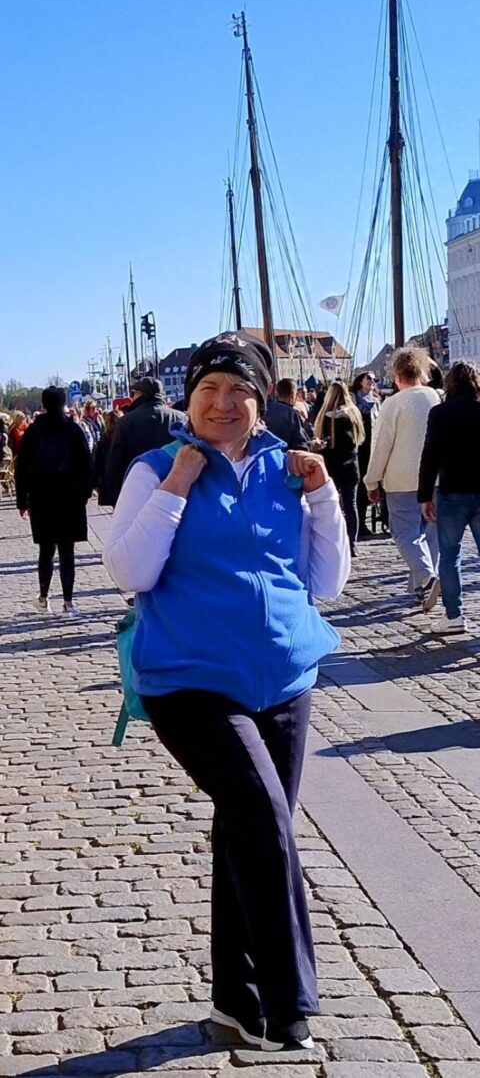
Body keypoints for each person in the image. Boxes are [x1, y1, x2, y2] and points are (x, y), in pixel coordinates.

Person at [102, 332, 349, 1054]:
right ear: (189, 397)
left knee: (247, 829)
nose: (222, 402)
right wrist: (178, 484)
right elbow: (130, 571)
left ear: (260, 398)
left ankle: (233, 1003)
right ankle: (289, 1000)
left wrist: (323, 494)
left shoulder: (289, 469)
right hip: (189, 678)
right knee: (262, 814)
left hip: (283, 678)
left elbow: (328, 581)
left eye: (237, 390)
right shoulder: (154, 469)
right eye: (209, 389)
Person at [417, 360, 480, 640]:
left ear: (450, 384)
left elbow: (430, 456)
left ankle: (455, 615)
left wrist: (424, 495)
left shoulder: (441, 413)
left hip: (452, 492)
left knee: (450, 555)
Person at [364, 348, 440, 611]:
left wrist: (372, 481)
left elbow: (381, 445)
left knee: (406, 533)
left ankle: (427, 578)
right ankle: (421, 586)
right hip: (436, 479)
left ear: (397, 375)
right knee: (431, 533)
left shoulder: (392, 404)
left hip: (402, 479)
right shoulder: (436, 398)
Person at [15, 386, 95, 615]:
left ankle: (43, 597)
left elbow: (22, 469)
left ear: (43, 404)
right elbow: (86, 464)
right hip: (69, 498)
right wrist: (85, 493)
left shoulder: (32, 432)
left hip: (42, 499)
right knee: (67, 551)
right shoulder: (73, 430)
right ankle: (68, 602)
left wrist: (23, 501)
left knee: (46, 551)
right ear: (62, 403)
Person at [101, 377, 185, 507]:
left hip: (137, 491)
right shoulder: (181, 418)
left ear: (140, 394)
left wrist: (115, 497)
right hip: (176, 489)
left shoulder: (125, 422)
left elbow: (115, 462)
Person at [313, 381, 365, 553]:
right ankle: (352, 543)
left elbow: (322, 440)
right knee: (351, 505)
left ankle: (334, 541)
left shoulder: (325, 416)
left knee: (333, 505)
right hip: (351, 464)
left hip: (331, 465)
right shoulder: (353, 415)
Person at [350, 372, 380, 538]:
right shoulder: (354, 401)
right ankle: (360, 524)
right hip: (360, 448)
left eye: (374, 379)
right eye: (368, 378)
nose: (372, 381)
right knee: (361, 487)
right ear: (360, 381)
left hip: (373, 448)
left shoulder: (376, 401)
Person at [265, 379, 312, 450]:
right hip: (285, 457)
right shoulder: (292, 414)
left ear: (276, 393)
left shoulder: (265, 409)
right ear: (293, 394)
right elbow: (301, 445)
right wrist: (312, 445)